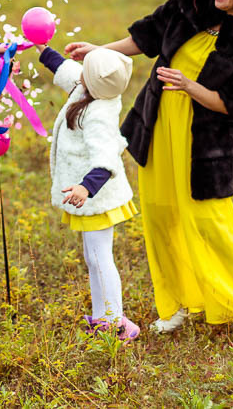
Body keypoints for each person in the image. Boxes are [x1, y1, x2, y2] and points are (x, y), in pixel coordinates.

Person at [65, 0, 233, 335]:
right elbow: (145, 37)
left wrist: (188, 85)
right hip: (158, 124)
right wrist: (98, 52)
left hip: (206, 141)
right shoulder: (194, 2)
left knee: (210, 220)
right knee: (162, 215)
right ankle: (180, 302)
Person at [37, 44, 140, 341]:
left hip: (96, 198)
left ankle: (115, 322)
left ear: (91, 81)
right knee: (93, 257)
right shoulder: (91, 88)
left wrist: (86, 187)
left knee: (99, 257)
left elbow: (106, 160)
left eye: (86, 71)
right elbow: (66, 70)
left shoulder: (98, 114)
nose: (80, 73)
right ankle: (102, 317)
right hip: (89, 198)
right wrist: (43, 48)